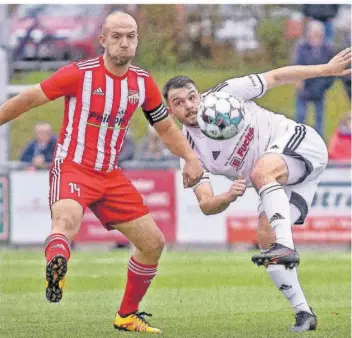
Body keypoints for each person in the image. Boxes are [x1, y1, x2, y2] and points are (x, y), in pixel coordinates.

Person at [0, 11, 203, 334]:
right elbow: (28, 99)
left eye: (131, 36)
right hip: (73, 166)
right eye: (118, 36)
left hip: (110, 176)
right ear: (103, 40)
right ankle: (57, 268)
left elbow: (165, 127)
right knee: (65, 221)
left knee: (152, 243)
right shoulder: (78, 74)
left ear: (137, 40)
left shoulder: (142, 83)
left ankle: (126, 315)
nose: (125, 43)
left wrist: (191, 158)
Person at [162, 47, 351, 332]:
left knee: (261, 172)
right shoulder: (188, 152)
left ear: (199, 95)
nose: (189, 105)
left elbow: (275, 77)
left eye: (192, 96)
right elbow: (205, 203)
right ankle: (303, 312)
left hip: (300, 144)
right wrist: (228, 195)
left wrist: (325, 69)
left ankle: (285, 245)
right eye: (179, 102)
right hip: (289, 178)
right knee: (265, 233)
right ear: (170, 111)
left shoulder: (227, 93)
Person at [294, 20, 335, 140]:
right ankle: (297, 142)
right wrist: (298, 80)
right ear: (309, 34)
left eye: (319, 34)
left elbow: (333, 71)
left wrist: (325, 86)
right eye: (314, 34)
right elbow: (297, 66)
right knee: (300, 118)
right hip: (304, 89)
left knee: (319, 121)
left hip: (320, 89)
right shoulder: (302, 48)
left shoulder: (327, 49)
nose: (316, 37)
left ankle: (319, 145)